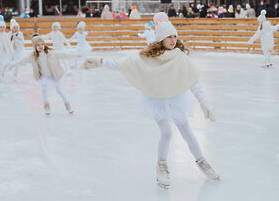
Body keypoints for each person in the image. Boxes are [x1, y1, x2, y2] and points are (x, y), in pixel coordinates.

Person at [83, 12, 220, 188]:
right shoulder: (149, 57)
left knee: (187, 132)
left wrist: (203, 101)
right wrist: (101, 61)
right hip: (157, 100)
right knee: (167, 133)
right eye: (168, 36)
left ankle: (202, 162)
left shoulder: (180, 57)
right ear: (160, 38)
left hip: (176, 99)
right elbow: (125, 64)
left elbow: (192, 80)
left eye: (174, 36)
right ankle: (161, 167)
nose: (172, 40)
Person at [10, 34, 77, 115]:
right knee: (44, 90)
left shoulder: (51, 53)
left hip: (53, 75)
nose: (41, 46)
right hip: (43, 76)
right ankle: (47, 106)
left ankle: (67, 105)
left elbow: (64, 55)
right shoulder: (32, 56)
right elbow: (22, 61)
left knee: (59, 90)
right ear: (34, 46)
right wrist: (13, 64)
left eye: (42, 44)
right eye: (38, 45)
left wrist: (75, 55)